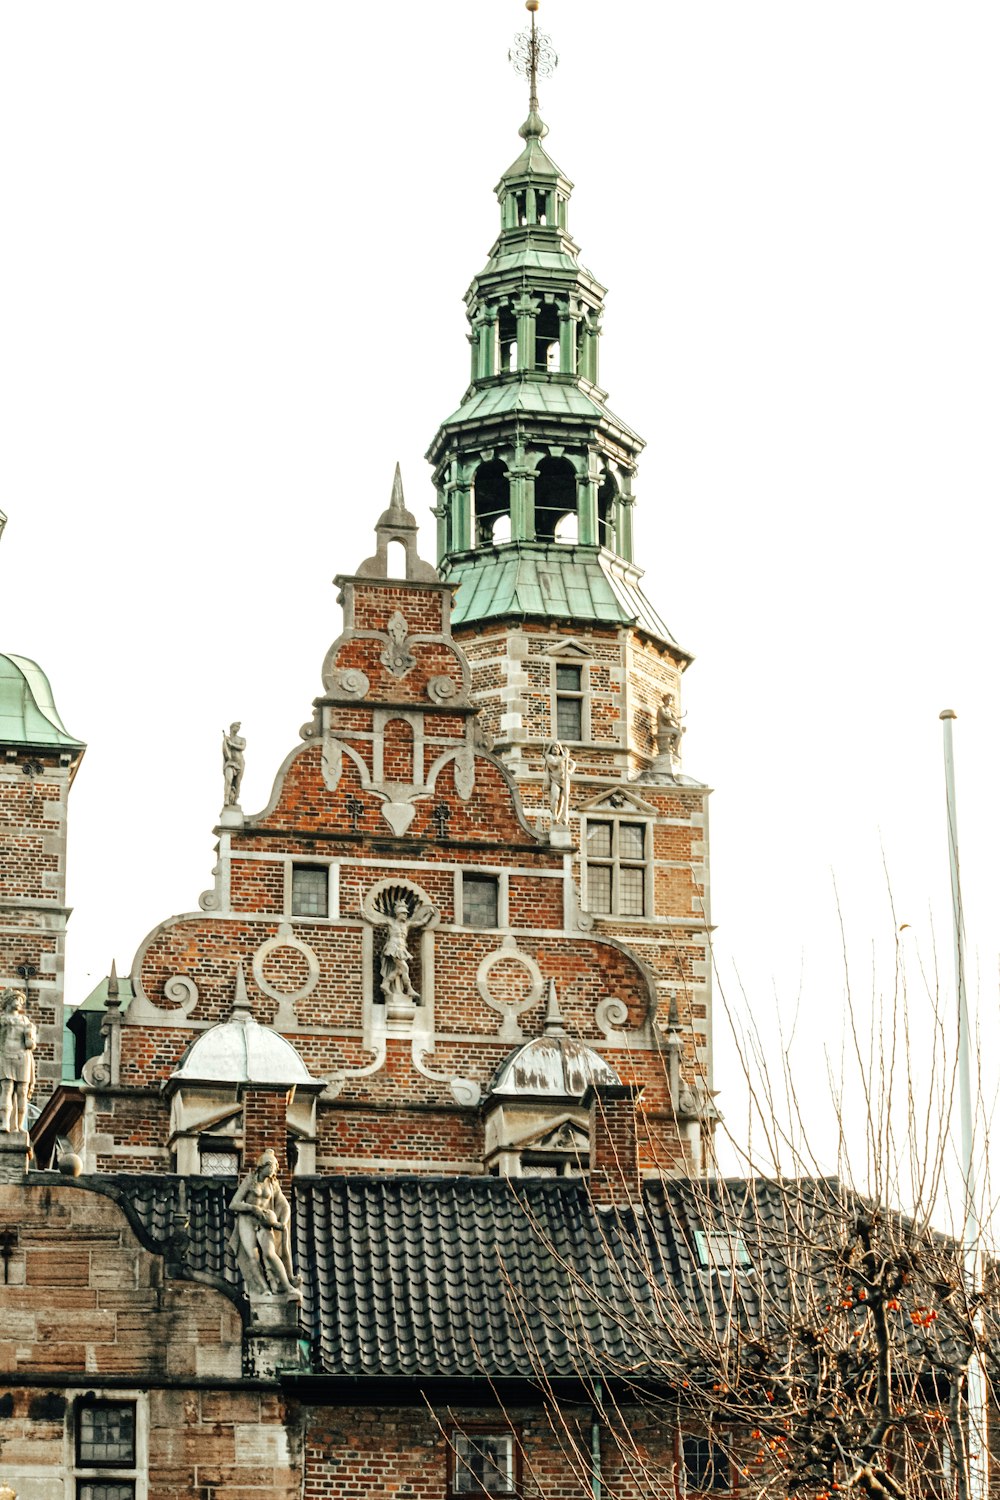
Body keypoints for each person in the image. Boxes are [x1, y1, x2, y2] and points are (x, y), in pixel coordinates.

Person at [228, 1148, 301, 1298]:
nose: (274, 1171)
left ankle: (287, 1286)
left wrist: (283, 1222)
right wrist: (252, 1208)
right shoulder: (250, 1180)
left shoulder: (273, 1184)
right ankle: (262, 1288)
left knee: (269, 1253)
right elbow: (234, 1204)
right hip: (247, 1220)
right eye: (272, 1167)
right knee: (253, 1257)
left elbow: (284, 1205)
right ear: (264, 1166)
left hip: (265, 1222)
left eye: (275, 1167)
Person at [0, 988, 37, 1133]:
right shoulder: (1, 1020)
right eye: (18, 1000)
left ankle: (20, 1126)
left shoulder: (25, 1020)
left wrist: (30, 1034)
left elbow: (30, 1045)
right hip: (5, 1055)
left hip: (22, 1057)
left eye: (22, 1001)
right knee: (7, 1089)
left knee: (22, 1091)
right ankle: (5, 1123)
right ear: (9, 1001)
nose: (20, 1004)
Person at [544, 741, 575, 825]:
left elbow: (573, 763)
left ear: (560, 749)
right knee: (555, 797)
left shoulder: (563, 758)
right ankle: (554, 815)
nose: (555, 748)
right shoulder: (549, 757)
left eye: (557, 747)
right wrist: (565, 756)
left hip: (564, 780)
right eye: (553, 747)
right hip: (555, 780)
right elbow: (555, 763)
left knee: (563, 801)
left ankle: (560, 817)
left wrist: (570, 771)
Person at [222, 721, 246, 806]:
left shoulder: (242, 739)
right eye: (236, 727)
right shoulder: (226, 739)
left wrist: (232, 745)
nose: (238, 728)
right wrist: (226, 743)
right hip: (230, 762)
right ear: (232, 728)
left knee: (237, 783)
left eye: (238, 727)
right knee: (228, 780)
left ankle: (235, 800)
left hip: (240, 763)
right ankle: (226, 799)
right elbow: (225, 752)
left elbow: (243, 747)